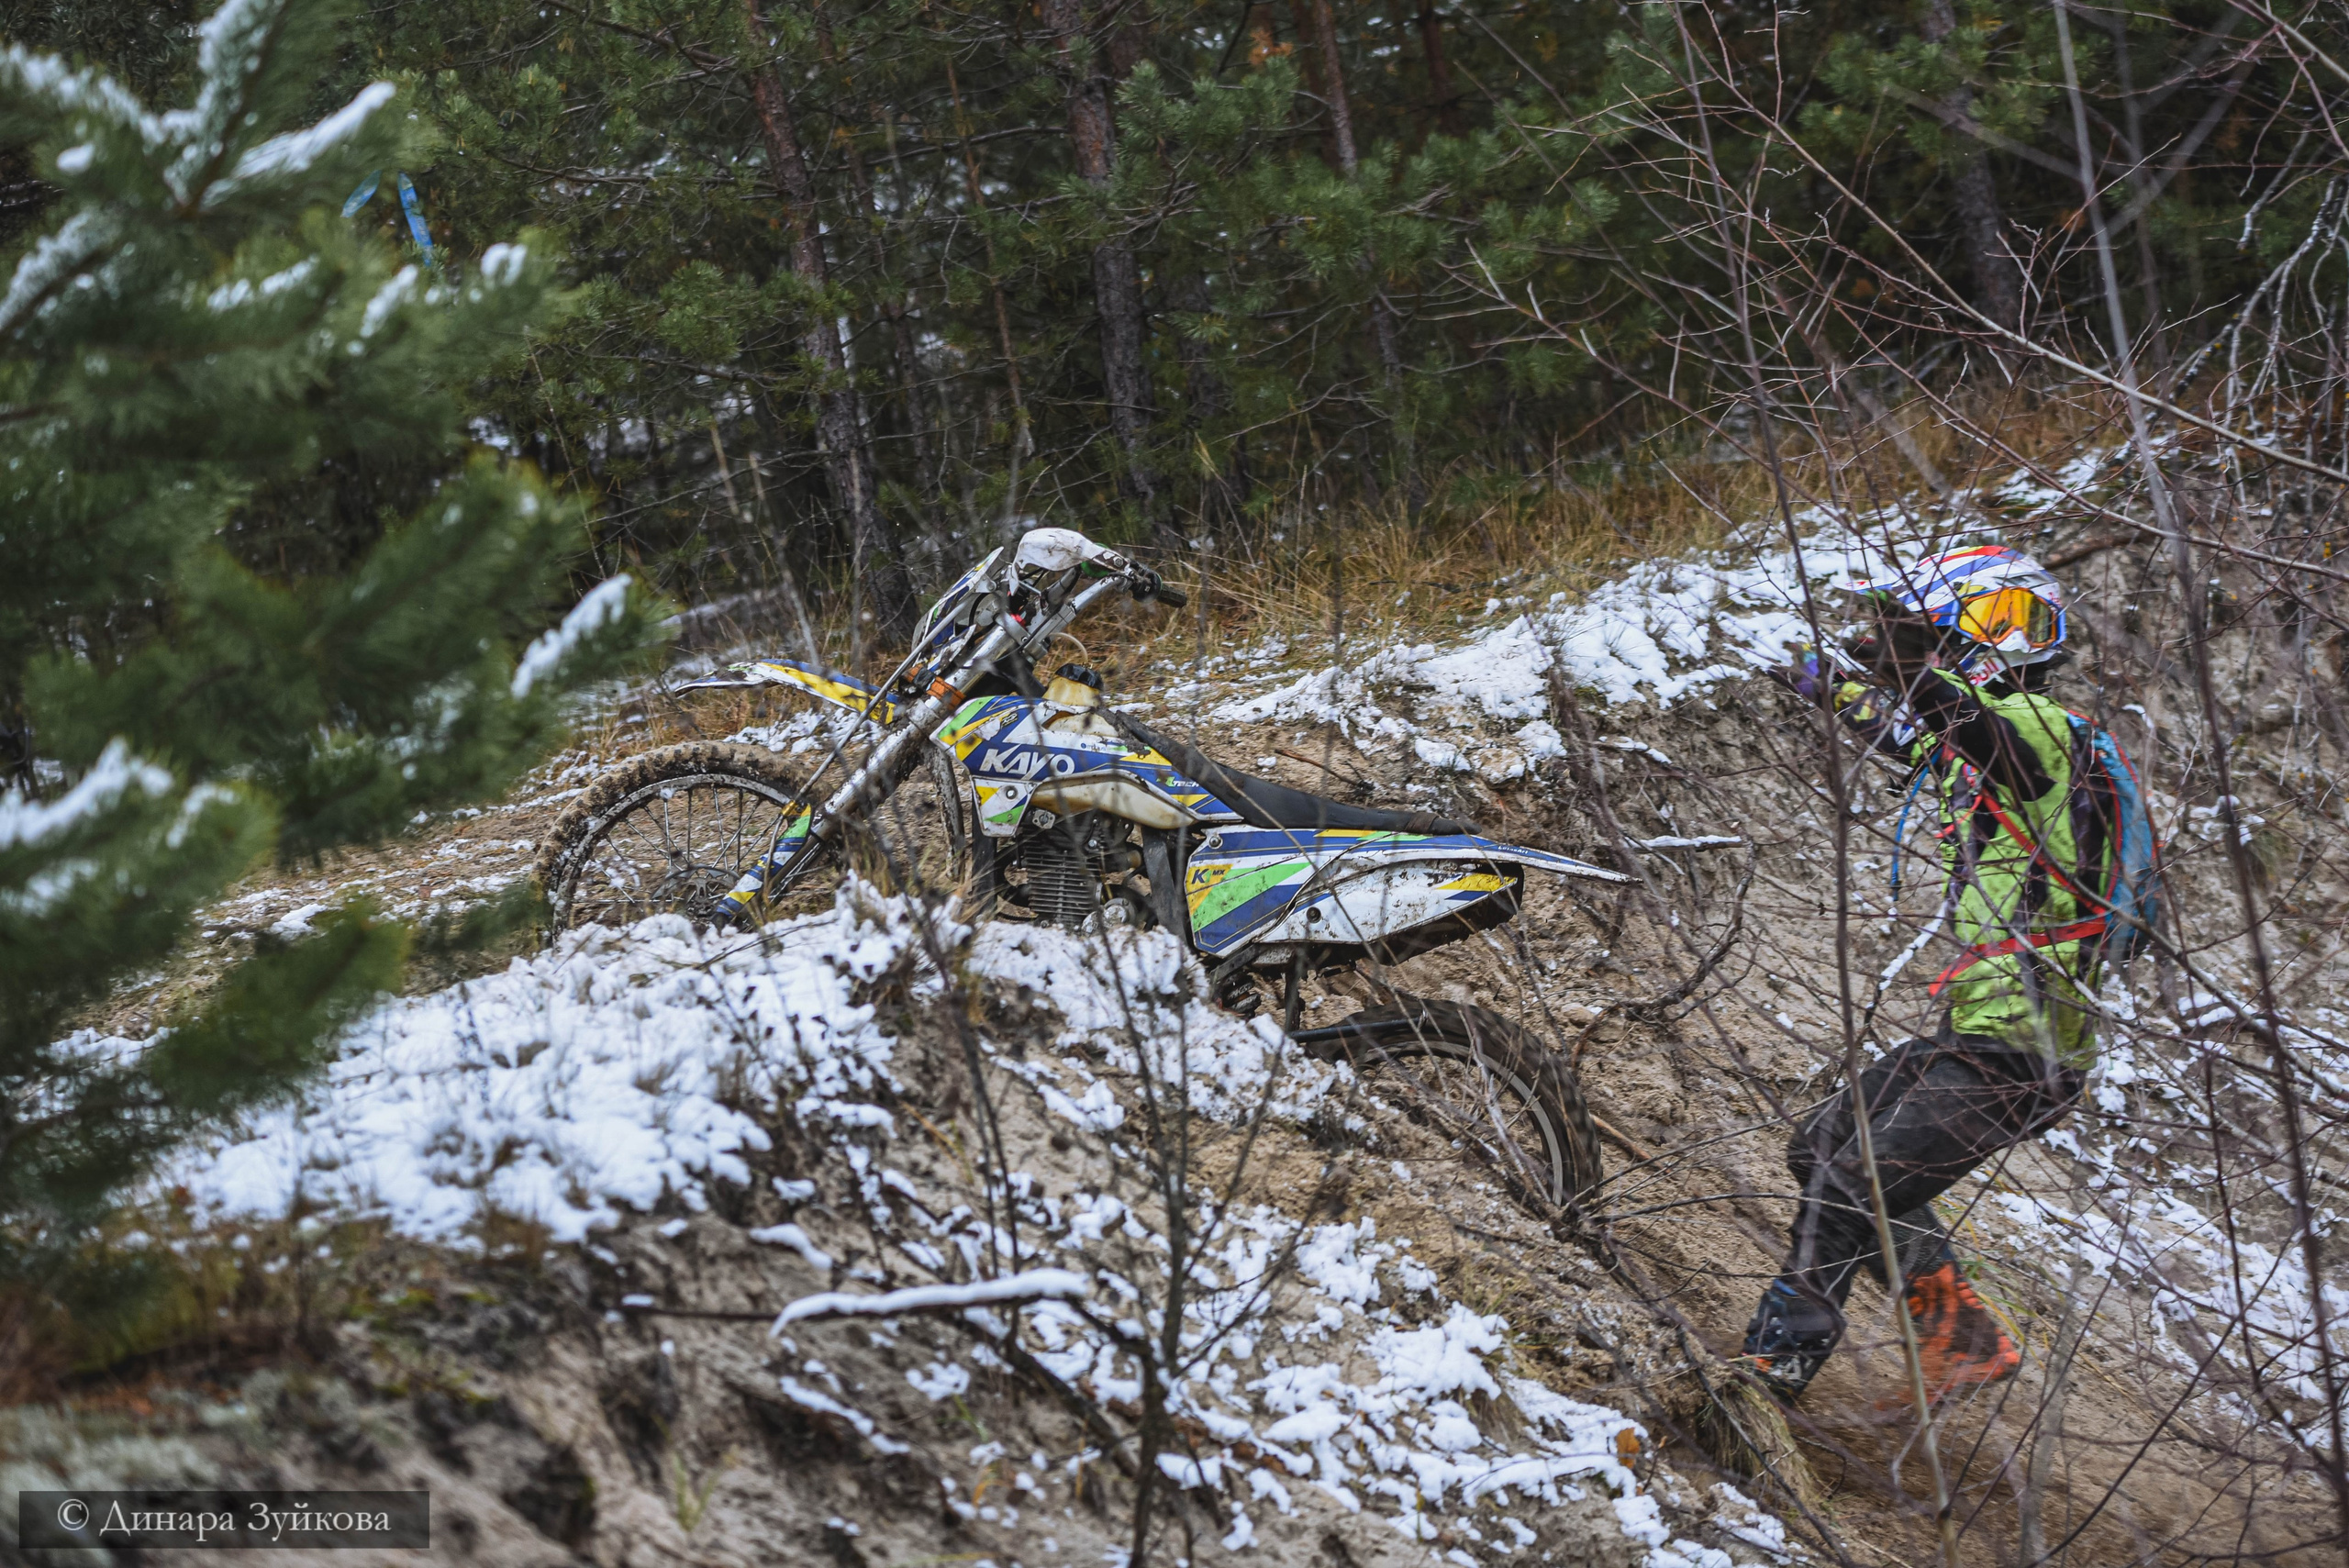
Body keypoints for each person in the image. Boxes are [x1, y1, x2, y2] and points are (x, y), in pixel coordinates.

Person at [1739, 546, 2108, 1404]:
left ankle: (1770, 1374)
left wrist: (1910, 662)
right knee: (1823, 1146)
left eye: (1925, 635)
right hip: (1983, 1034)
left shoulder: (2045, 730)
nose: (1914, 652)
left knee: (1853, 1178)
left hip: (2027, 1044)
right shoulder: (1979, 748)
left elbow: (1965, 721)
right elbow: (1905, 729)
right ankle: (1964, 1339)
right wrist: (1807, 667)